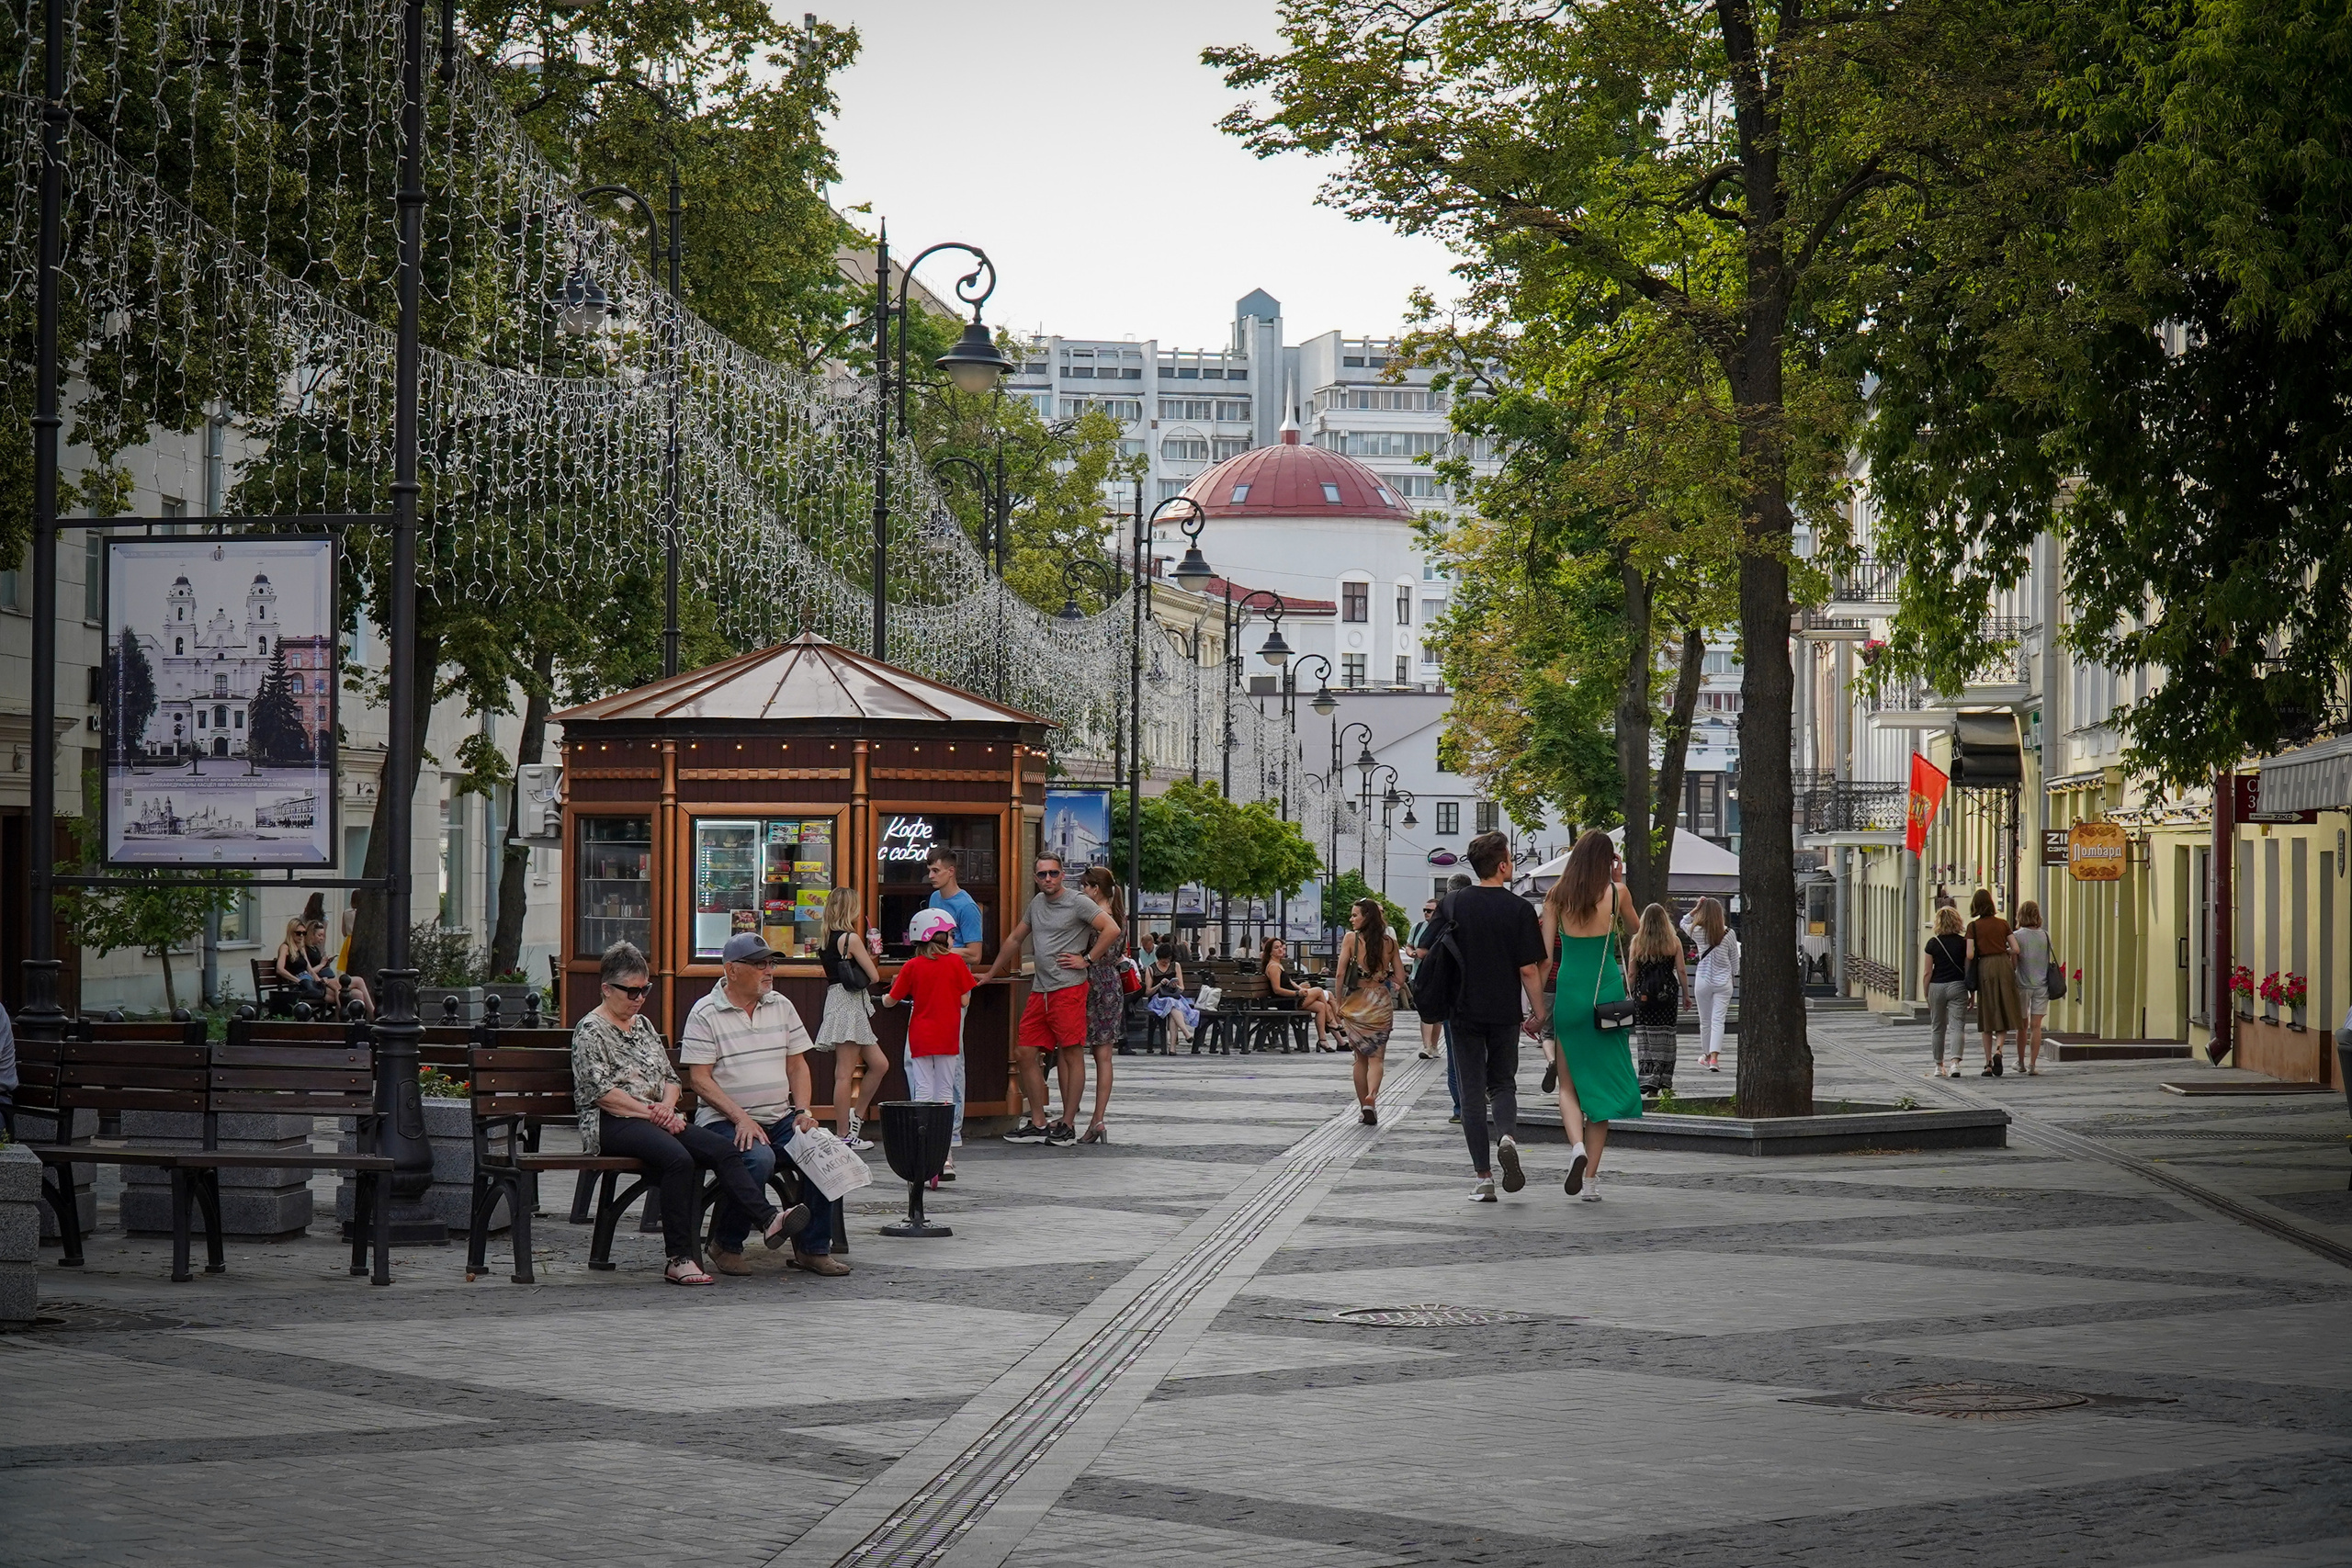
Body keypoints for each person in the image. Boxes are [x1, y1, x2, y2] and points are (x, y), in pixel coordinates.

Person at [571, 942, 806, 1286]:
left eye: (644, 990)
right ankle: (679, 1259)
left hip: (656, 1118)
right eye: (631, 991)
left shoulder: (643, 1025)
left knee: (722, 1149)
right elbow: (604, 1095)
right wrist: (654, 1114)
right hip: (613, 1123)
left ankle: (770, 1219)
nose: (639, 998)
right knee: (678, 1159)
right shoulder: (590, 1031)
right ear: (606, 989)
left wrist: (666, 1107)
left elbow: (670, 1078)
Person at [679, 932, 843, 1278]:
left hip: (780, 1116)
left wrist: (802, 1111)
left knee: (823, 1147)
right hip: (724, 1120)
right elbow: (700, 1079)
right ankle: (725, 1244)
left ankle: (813, 1249)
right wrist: (740, 1118)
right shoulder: (705, 1012)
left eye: (771, 963)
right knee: (757, 1157)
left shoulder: (781, 1005)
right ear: (731, 970)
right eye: (759, 964)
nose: (769, 970)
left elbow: (797, 1065)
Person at [1431, 833, 1547, 1201]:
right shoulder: (1519, 909)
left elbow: (1422, 948)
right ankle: (1508, 1136)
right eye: (1510, 859)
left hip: (1462, 1010)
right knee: (1503, 1083)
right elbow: (1529, 968)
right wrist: (1539, 1013)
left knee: (1470, 1093)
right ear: (1502, 865)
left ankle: (1484, 1178)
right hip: (1504, 1012)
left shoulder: (1453, 903)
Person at [980, 852, 1120, 1145]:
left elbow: (1112, 929)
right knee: (1025, 1052)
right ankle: (1039, 1121)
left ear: (1062, 875)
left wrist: (1087, 959)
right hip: (1040, 990)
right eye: (1042, 874)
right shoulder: (1036, 904)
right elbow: (1015, 938)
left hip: (1069, 989)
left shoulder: (1077, 901)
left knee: (1071, 1053)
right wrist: (991, 972)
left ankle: (1067, 1124)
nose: (1048, 879)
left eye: (1053, 873)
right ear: (1035, 878)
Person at [1539, 830, 1644, 1201]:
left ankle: (1576, 1148)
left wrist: (1537, 1009)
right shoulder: (1618, 894)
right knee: (1599, 1092)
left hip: (1569, 992)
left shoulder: (1555, 896)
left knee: (1568, 1085)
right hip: (1607, 994)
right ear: (1608, 860)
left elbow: (1546, 958)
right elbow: (1637, 930)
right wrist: (1619, 882)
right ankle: (1591, 1183)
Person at [883, 908, 981, 1181]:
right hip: (948, 1036)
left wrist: (885, 998)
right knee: (945, 1093)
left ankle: (922, 1153)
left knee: (923, 1091)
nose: (953, 940)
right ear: (937, 935)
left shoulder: (912, 967)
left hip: (921, 1037)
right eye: (950, 935)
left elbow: (891, 1000)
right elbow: (964, 1000)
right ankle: (945, 1156)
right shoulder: (956, 964)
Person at [813, 887, 888, 1148]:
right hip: (849, 1002)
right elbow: (874, 976)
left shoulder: (825, 939)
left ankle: (855, 1119)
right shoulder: (850, 938)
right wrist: (872, 952)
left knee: (879, 1064)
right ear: (849, 908)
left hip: (839, 999)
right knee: (844, 1073)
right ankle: (844, 1134)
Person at [922, 847, 985, 1160]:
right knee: (926, 1055)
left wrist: (941, 950)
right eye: (930, 870)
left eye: (935, 870)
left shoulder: (966, 906)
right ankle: (934, 1116)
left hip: (956, 986)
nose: (931, 876)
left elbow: (975, 953)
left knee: (952, 1053)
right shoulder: (935, 901)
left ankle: (954, 1126)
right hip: (933, 984)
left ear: (951, 871)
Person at [1334, 897, 1408, 1124]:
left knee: (1360, 1059)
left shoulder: (1350, 939)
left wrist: (1338, 1003)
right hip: (1380, 1003)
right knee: (1377, 1058)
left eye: (1355, 914)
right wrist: (1386, 977)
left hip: (1357, 1003)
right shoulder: (1390, 943)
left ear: (1366, 917)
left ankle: (1364, 1106)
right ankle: (1372, 1096)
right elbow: (1400, 976)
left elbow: (1339, 974)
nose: (1351, 918)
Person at [1076, 865, 1128, 1143]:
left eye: (1085, 886)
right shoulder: (1120, 914)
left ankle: (1070, 1116)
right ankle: (1098, 1119)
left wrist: (1085, 959)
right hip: (1112, 984)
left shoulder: (1096, 918)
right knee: (1104, 1057)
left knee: (1073, 1050)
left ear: (1095, 889)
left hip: (1090, 981)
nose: (1082, 891)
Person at [1627, 902, 1687, 1096]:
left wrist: (1629, 994)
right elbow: (1682, 970)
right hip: (1667, 996)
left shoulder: (1637, 941)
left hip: (1644, 996)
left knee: (1646, 1036)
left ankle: (1648, 1080)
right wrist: (1686, 994)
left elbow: (1631, 974)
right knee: (1667, 1036)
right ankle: (1664, 1080)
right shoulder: (1674, 941)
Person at [1966, 889, 2021, 1076]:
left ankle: (1988, 1062)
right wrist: (2003, 952)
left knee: (1987, 1013)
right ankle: (1999, 1049)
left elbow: (1970, 954)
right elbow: (2016, 948)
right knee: (2004, 1009)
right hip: (2003, 966)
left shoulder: (1973, 927)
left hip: (1986, 968)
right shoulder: (2003, 924)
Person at [1679, 897, 1736, 1073]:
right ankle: (1714, 1059)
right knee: (1718, 1020)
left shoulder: (1697, 932)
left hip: (1703, 981)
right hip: (1724, 981)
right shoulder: (1729, 933)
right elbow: (1734, 961)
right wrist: (1730, 976)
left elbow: (1683, 922)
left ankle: (1705, 1054)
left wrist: (1696, 908)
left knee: (1705, 1021)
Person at [1263, 937, 1337, 1046]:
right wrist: (1297, 993)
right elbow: (1277, 989)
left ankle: (1322, 1040)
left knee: (1321, 1006)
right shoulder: (1273, 967)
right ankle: (1331, 1021)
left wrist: (1300, 989)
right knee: (1318, 990)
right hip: (1286, 1001)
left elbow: (1290, 982)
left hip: (1292, 998)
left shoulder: (1278, 965)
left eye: (1281, 947)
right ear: (1270, 952)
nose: (1280, 950)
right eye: (1276, 948)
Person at [1924, 906, 1970, 1077]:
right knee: (1957, 1026)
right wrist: (1971, 992)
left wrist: (1926, 991)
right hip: (1958, 985)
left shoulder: (1933, 943)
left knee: (1937, 1027)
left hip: (1936, 986)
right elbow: (1967, 969)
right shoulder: (1964, 942)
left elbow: (1928, 971)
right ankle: (1955, 1064)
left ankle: (1938, 1066)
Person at [2010, 900, 2054, 1076]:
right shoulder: (2045, 935)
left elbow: (2014, 962)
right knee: (2036, 1026)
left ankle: (2020, 1062)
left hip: (2022, 985)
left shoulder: (2017, 936)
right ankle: (2032, 1065)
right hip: (2042, 985)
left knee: (2022, 1026)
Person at [277, 917, 349, 1015]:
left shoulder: (301, 948)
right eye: (298, 933)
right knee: (340, 994)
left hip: (310, 982)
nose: (301, 936)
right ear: (291, 932)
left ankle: (339, 1022)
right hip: (300, 985)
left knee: (343, 994)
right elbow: (280, 969)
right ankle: (340, 1022)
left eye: (304, 933)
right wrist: (298, 981)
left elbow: (310, 970)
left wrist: (319, 981)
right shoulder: (285, 947)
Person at [1406, 899, 1442, 1060]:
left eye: (1430, 910)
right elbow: (1409, 945)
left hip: (1437, 975)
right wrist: (1412, 953)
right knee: (1424, 1010)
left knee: (1438, 1014)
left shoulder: (1443, 927)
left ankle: (1434, 1046)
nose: (1427, 913)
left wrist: (1425, 953)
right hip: (1418, 974)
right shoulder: (1418, 927)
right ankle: (1427, 1046)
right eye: (1425, 910)